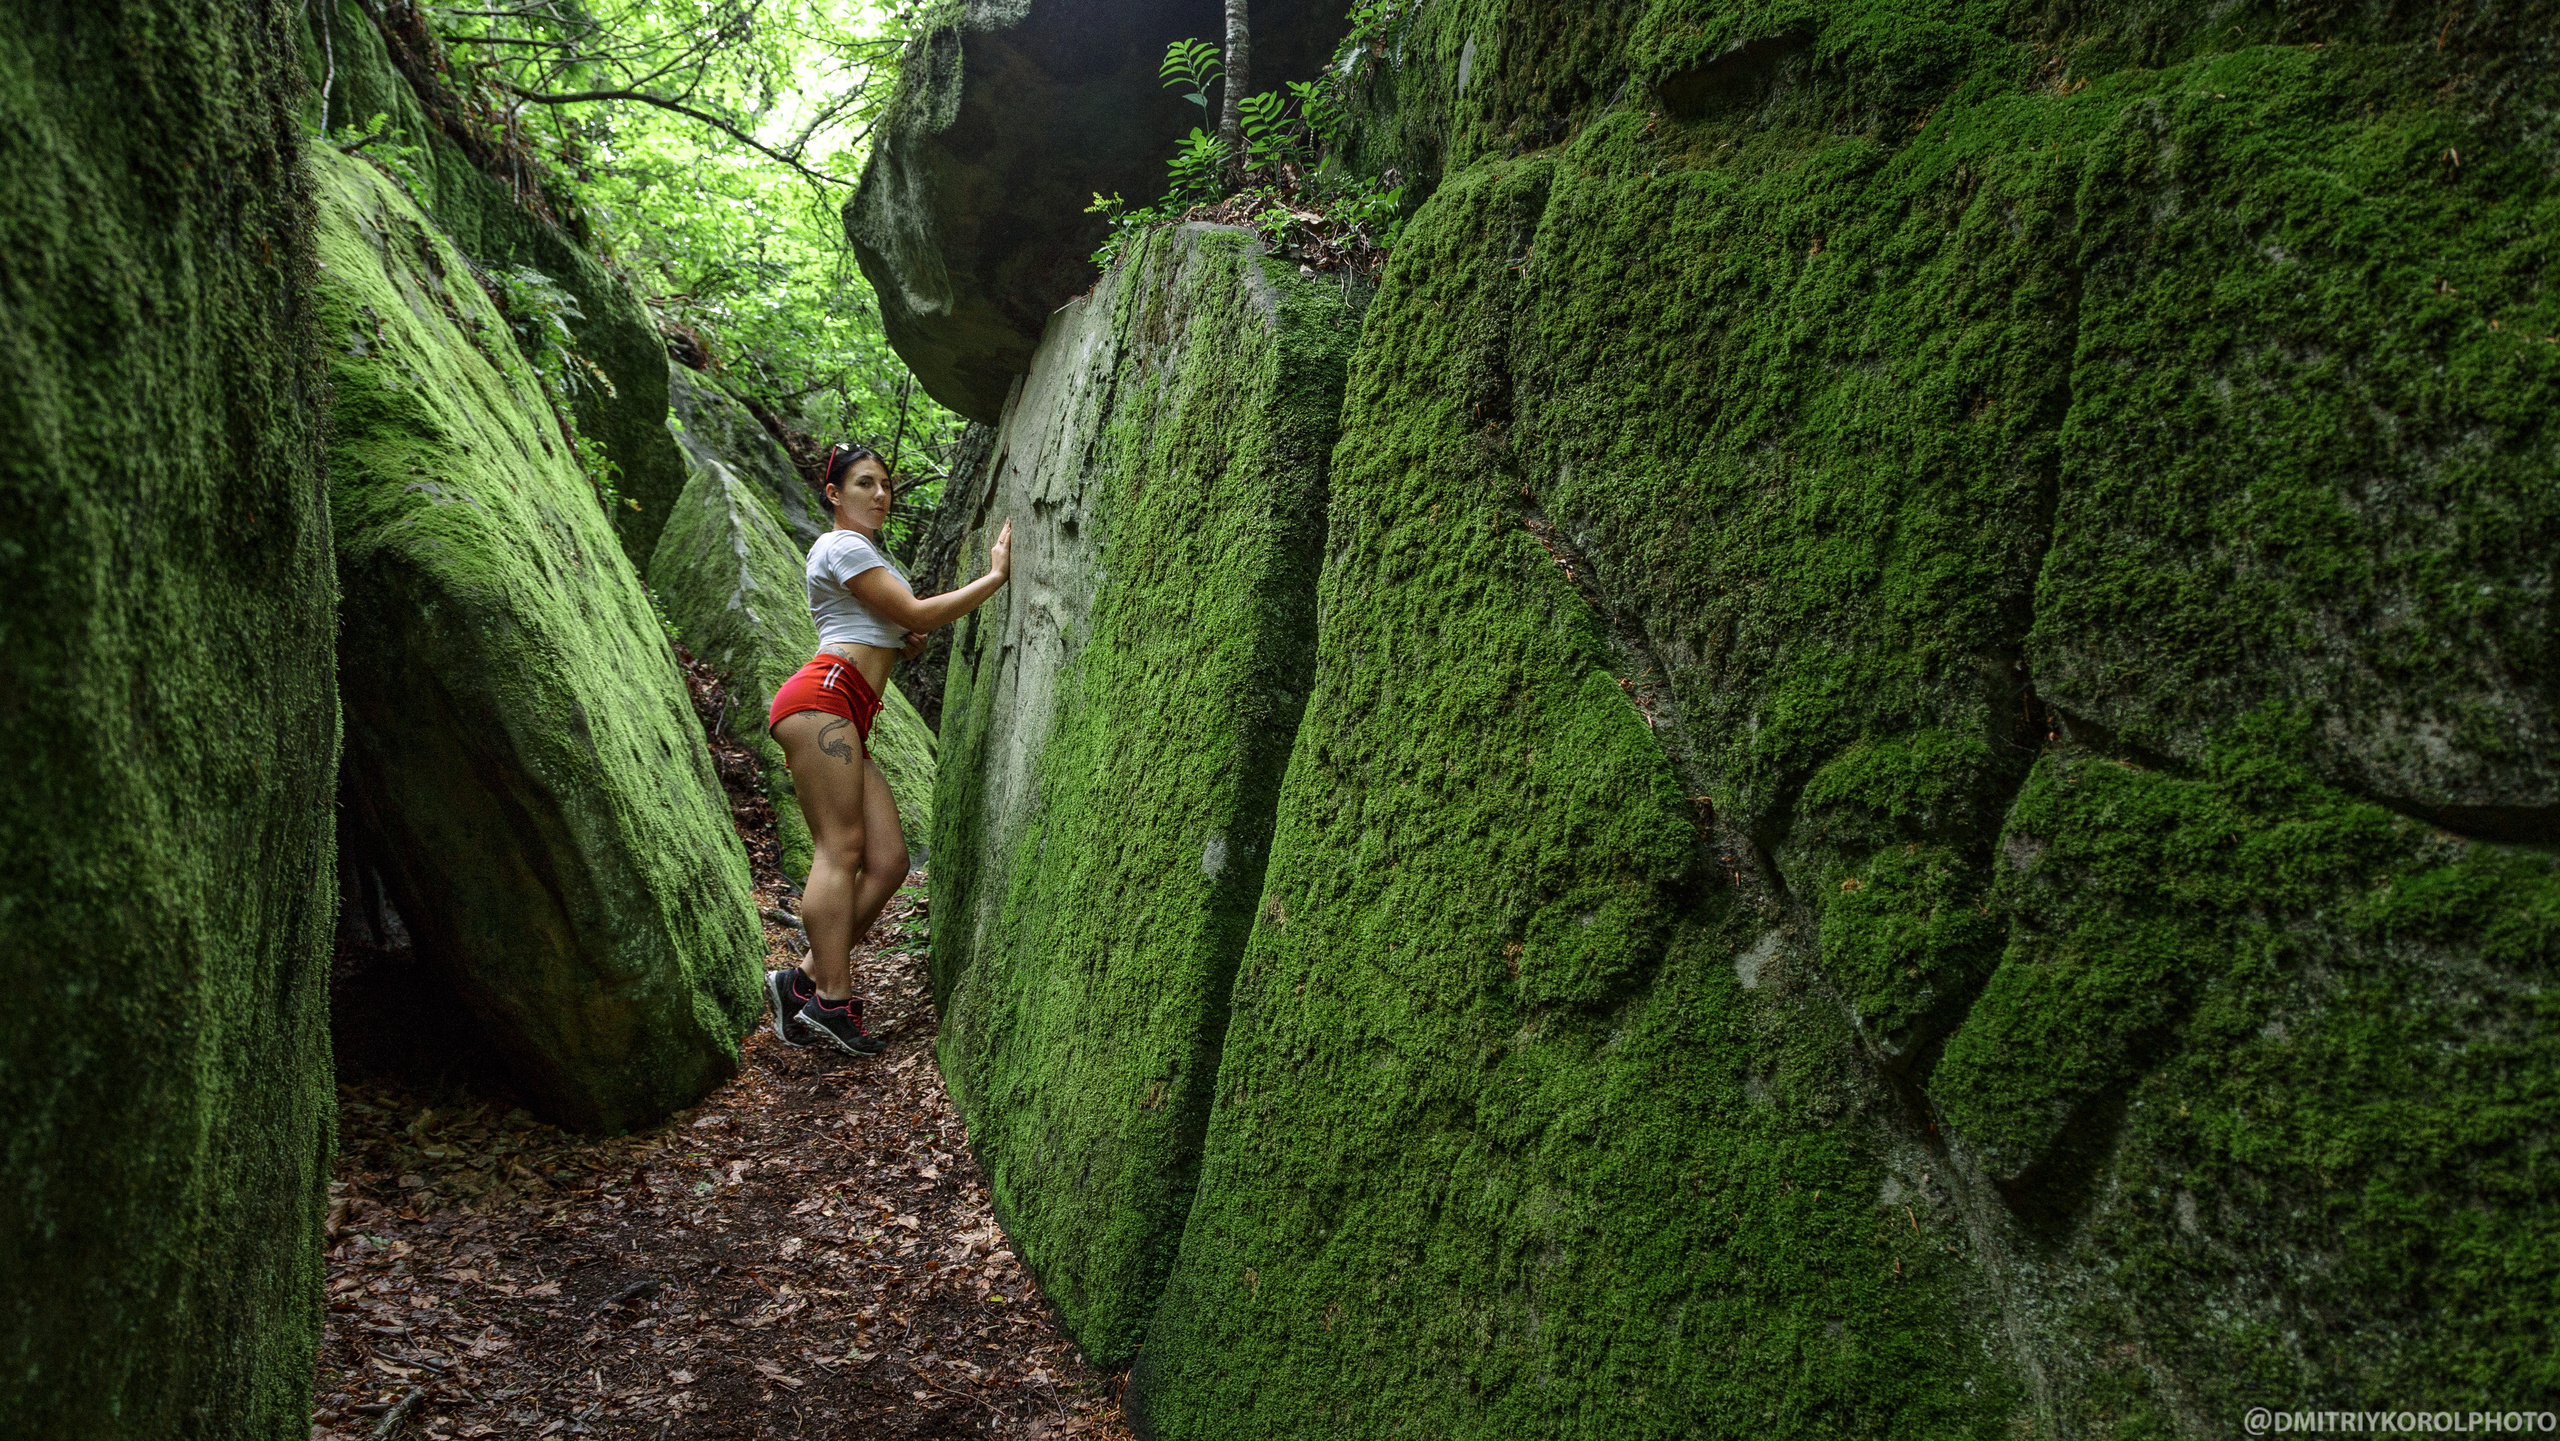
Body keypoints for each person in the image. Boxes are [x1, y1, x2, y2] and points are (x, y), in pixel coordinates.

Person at [763, 442, 1012, 1055]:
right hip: (823, 700)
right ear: (834, 495)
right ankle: (832, 1001)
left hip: (847, 711)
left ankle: (802, 983)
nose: (879, 495)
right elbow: (916, 611)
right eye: (864, 484)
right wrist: (996, 577)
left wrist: (905, 639)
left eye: (884, 486)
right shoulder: (841, 545)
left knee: (891, 862)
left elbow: (899, 628)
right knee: (840, 848)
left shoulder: (865, 556)